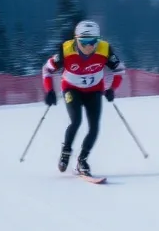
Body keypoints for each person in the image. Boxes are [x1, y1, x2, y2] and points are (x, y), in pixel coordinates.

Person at [41, 19, 124, 178]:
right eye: (84, 42)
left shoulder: (105, 49)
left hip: (94, 90)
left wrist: (112, 89)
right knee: (76, 121)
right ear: (76, 40)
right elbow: (47, 69)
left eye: (93, 41)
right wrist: (49, 90)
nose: (89, 46)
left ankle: (82, 160)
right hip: (71, 89)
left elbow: (119, 70)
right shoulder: (66, 51)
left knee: (94, 128)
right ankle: (66, 151)